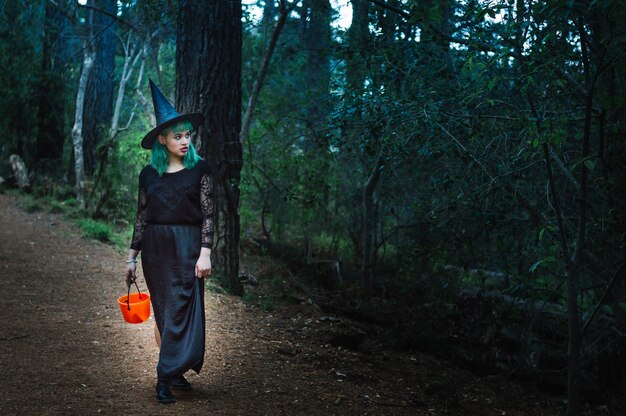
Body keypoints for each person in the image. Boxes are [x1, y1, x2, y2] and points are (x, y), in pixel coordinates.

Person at [125, 79, 214, 404]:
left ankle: (165, 374)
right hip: (156, 251)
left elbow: (208, 215)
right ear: (162, 140)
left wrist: (205, 253)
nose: (185, 141)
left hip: (189, 248)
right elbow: (141, 217)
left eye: (187, 135)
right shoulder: (148, 175)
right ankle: (172, 372)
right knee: (164, 312)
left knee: (183, 309)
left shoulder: (201, 170)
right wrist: (131, 258)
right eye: (177, 136)